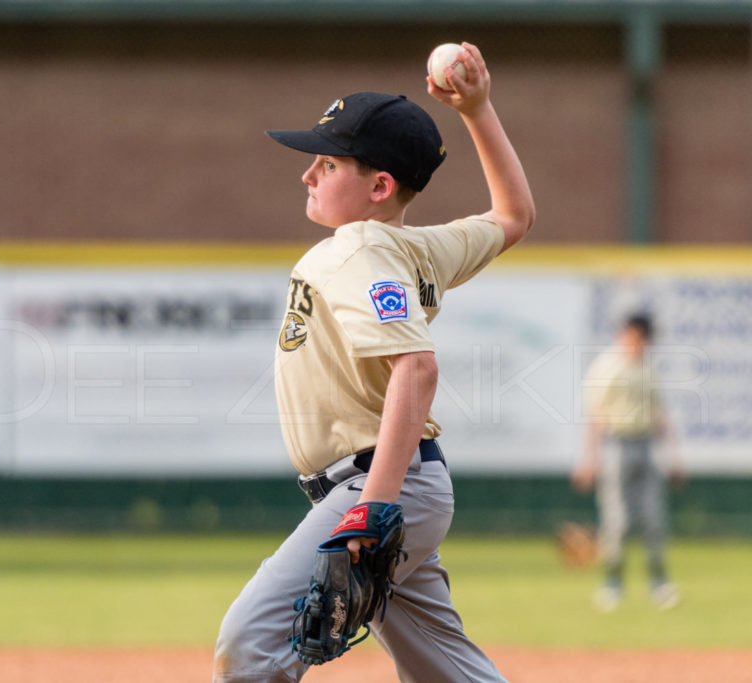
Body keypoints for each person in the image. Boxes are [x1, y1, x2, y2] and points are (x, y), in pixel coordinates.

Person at [213, 42, 534, 682]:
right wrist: (479, 109)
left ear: (379, 186)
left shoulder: (359, 250)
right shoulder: (417, 249)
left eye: (327, 164)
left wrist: (375, 507)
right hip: (394, 488)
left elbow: (416, 367)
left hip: (378, 490)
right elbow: (514, 215)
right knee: (448, 673)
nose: (308, 174)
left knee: (249, 646)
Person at [571, 313, 685, 612]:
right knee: (617, 521)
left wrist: (674, 456)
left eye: (643, 338)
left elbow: (659, 412)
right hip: (617, 446)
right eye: (634, 336)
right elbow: (595, 416)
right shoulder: (608, 367)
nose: (638, 342)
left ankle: (659, 582)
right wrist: (590, 460)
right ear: (626, 335)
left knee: (654, 519)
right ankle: (612, 584)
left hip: (646, 445)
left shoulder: (647, 368)